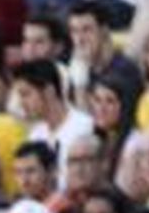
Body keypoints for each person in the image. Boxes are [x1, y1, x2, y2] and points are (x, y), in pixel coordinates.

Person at [13, 58, 94, 187]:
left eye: (26, 94)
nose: (21, 103)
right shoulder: (35, 135)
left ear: (49, 91)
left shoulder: (84, 128)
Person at [67, 0, 143, 116]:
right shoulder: (77, 67)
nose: (79, 39)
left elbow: (95, 127)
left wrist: (80, 86)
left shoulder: (125, 71)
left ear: (104, 31)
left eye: (86, 30)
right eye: (74, 31)